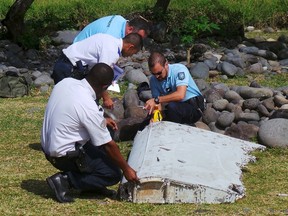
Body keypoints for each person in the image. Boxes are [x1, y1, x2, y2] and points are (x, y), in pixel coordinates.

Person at [41, 63, 139, 203]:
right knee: (111, 173)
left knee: (108, 131)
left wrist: (103, 121)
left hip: (50, 146)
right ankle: (65, 181)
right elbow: (109, 145)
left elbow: (73, 113)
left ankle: (91, 185)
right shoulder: (87, 105)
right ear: (105, 87)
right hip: (63, 155)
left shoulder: (66, 82)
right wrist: (126, 169)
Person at [52, 33, 143, 108]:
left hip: (64, 62)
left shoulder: (109, 39)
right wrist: (106, 98)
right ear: (130, 47)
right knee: (69, 103)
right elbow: (101, 77)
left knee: (65, 101)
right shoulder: (112, 51)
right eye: (133, 53)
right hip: (69, 68)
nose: (130, 56)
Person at [144, 51, 205, 125]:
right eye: (153, 74)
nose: (157, 76)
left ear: (166, 64)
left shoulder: (179, 70)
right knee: (148, 121)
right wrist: (155, 118)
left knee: (172, 107)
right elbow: (157, 104)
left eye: (159, 73)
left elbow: (180, 95)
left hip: (194, 107)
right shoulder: (153, 80)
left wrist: (157, 99)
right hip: (177, 107)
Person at [73, 15, 149, 43]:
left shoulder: (120, 19)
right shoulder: (112, 37)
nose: (139, 42)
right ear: (130, 29)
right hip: (77, 57)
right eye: (139, 38)